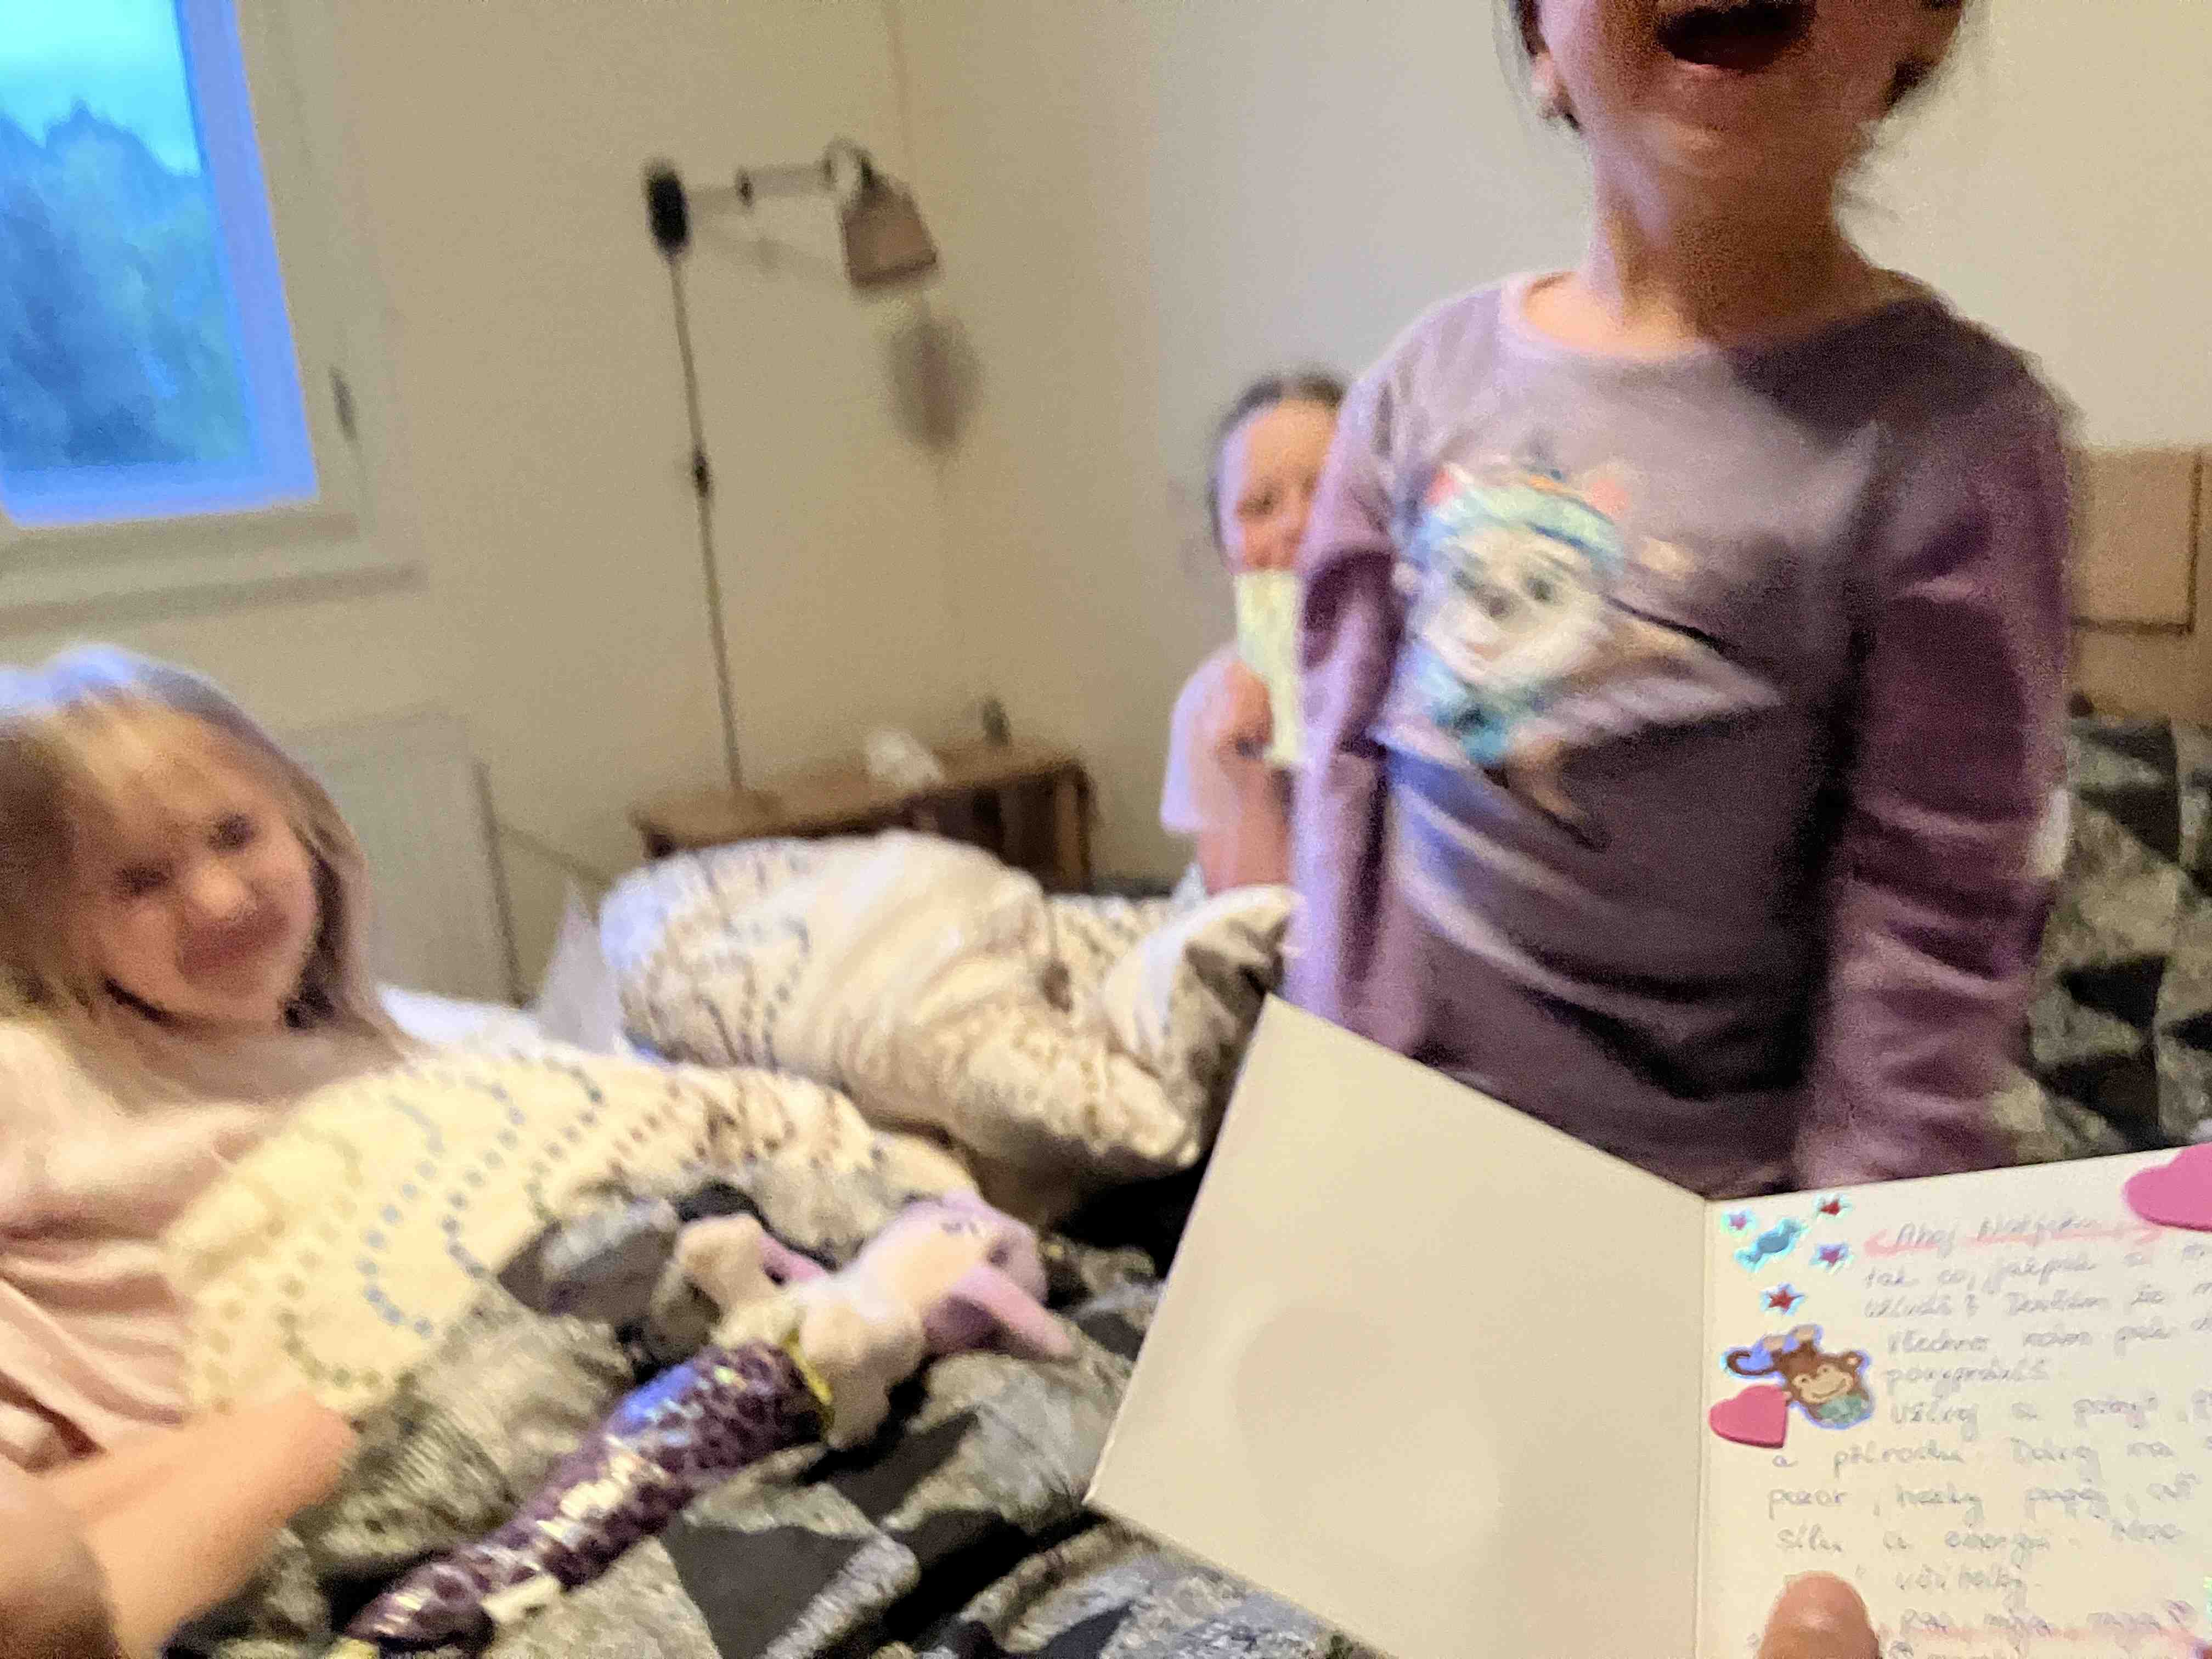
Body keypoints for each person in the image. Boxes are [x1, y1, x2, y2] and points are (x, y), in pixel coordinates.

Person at [1291, 0, 2069, 1197]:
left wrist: (1846, 1258)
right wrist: (1327, 1149)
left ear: (1928, 21)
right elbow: (1339, 809)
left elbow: (1933, 931)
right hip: (1400, 1160)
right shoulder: (1414, 392)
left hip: (1713, 1206)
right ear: (1541, 43)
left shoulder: (1955, 442)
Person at [1161, 370, 1344, 894]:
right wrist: (1250, 772)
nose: (1297, 524)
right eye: (1261, 506)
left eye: (1329, 493)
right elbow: (1247, 919)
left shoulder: (1423, 683)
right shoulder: (1209, 705)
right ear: (1227, 551)